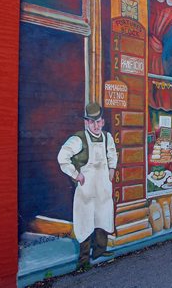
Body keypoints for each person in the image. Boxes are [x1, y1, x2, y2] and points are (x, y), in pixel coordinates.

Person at [57, 102, 118, 271]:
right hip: (86, 189)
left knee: (103, 217)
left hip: (103, 188)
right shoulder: (78, 139)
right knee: (85, 221)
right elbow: (62, 157)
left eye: (98, 121)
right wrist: (76, 174)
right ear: (86, 122)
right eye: (92, 122)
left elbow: (112, 153)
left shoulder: (107, 137)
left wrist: (112, 168)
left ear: (103, 122)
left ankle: (99, 251)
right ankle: (83, 260)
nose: (96, 125)